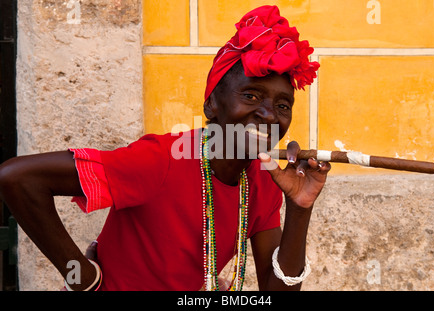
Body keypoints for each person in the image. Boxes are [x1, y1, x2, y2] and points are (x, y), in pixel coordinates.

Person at [0, 5, 330, 291]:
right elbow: (17, 178)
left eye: (283, 105)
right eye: (251, 96)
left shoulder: (262, 181)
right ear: (212, 104)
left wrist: (300, 208)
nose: (269, 115)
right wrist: (80, 276)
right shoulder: (161, 160)